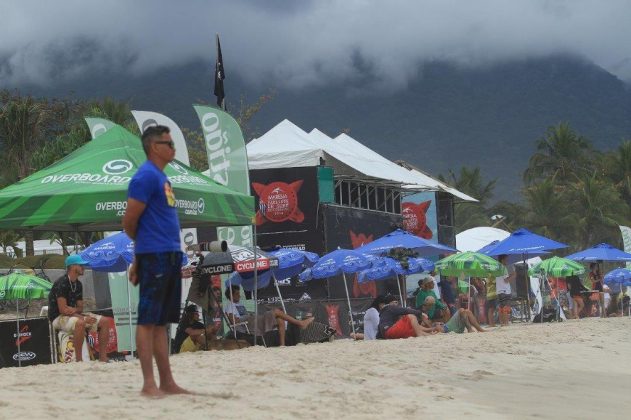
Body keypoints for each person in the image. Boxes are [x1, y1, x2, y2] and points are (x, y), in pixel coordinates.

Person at [123, 125, 188, 397]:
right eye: (169, 144)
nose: (173, 149)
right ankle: (148, 384)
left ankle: (167, 382)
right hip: (155, 255)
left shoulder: (162, 177)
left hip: (169, 253)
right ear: (154, 147)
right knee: (148, 320)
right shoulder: (145, 177)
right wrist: (141, 258)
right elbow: (129, 222)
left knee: (162, 322)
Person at [48, 254, 112, 362]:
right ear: (72, 266)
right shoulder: (61, 283)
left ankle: (103, 358)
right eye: (81, 265)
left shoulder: (78, 284)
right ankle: (79, 360)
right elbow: (63, 310)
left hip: (73, 316)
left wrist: (76, 312)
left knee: (104, 321)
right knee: (80, 323)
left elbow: (80, 308)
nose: (84, 267)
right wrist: (81, 317)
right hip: (57, 317)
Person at [223, 285, 316, 346]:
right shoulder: (229, 306)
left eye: (239, 293)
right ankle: (300, 323)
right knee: (276, 311)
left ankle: (282, 345)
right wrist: (246, 318)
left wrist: (250, 315)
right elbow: (234, 322)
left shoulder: (239, 304)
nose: (239, 295)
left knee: (280, 319)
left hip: (251, 321)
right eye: (236, 294)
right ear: (231, 295)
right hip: (247, 325)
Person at [496, 255, 515, 326]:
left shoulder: (497, 268)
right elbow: (506, 280)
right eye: (506, 259)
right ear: (502, 259)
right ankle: (506, 322)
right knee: (506, 307)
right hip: (505, 290)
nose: (507, 261)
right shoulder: (503, 268)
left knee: (501, 307)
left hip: (499, 290)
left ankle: (502, 323)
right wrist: (513, 275)